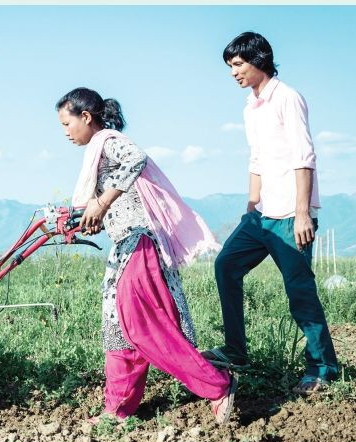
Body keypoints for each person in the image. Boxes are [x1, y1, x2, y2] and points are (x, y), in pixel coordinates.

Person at [56, 87, 236, 425]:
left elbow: (136, 158)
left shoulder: (108, 141)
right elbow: (110, 203)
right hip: (122, 246)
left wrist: (103, 203)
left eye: (67, 124)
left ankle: (217, 383)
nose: (65, 132)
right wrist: (93, 218)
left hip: (140, 245)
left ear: (86, 117)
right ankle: (118, 409)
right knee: (118, 329)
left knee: (141, 324)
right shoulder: (97, 153)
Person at [201, 32, 339, 395]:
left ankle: (323, 368)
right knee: (226, 265)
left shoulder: (288, 98)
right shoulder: (250, 106)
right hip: (261, 214)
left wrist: (303, 213)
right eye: (230, 67)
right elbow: (257, 159)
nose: (233, 73)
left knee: (299, 291)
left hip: (291, 216)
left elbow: (304, 157)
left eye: (238, 65)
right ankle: (236, 350)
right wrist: (251, 206)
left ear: (259, 60)